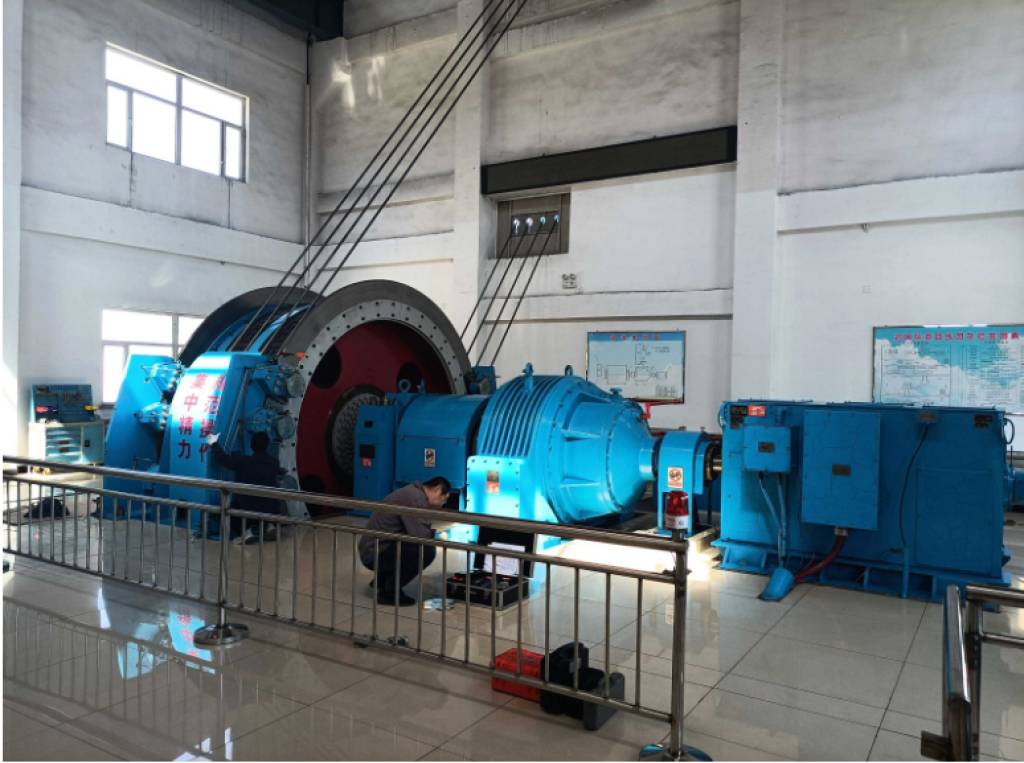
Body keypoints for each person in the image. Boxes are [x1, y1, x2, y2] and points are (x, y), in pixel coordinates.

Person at [358, 476, 452, 606]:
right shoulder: (415, 499)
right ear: (437, 489)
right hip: (374, 553)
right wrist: (435, 536)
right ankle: (390, 593)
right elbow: (420, 536)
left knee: (410, 546)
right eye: (444, 499)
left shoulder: (412, 492)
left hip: (373, 548)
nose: (442, 504)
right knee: (426, 551)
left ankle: (382, 581)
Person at [207, 431, 284, 544]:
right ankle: (268, 526)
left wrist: (214, 443)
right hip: (272, 509)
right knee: (264, 504)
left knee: (225, 510)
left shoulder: (244, 462)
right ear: (267, 445)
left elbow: (223, 459)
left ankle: (249, 531)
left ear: (252, 445)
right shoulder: (274, 462)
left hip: (250, 509)